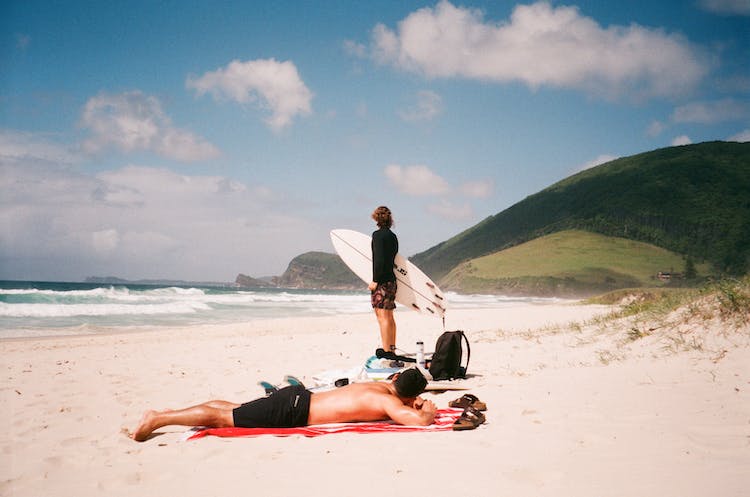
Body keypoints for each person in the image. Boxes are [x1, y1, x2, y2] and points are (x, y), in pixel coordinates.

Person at [131, 368, 434, 442]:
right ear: (408, 397)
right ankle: (156, 419)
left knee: (232, 408)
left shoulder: (377, 385)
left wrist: (409, 400)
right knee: (223, 418)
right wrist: (427, 410)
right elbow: (418, 422)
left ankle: (171, 414)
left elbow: (400, 401)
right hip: (292, 411)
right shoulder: (384, 400)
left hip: (296, 397)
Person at [368, 206, 399, 352]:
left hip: (382, 282)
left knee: (382, 317)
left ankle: (387, 353)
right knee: (389, 317)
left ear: (376, 219)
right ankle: (391, 350)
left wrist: (375, 280)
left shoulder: (377, 235)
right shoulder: (393, 237)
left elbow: (379, 260)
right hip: (392, 281)